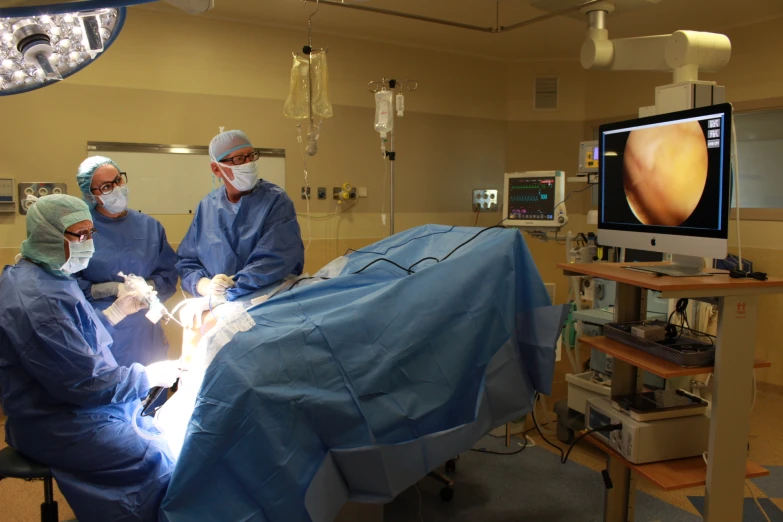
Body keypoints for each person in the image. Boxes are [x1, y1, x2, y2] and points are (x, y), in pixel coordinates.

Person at [0, 194, 181, 522]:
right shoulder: (39, 299)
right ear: (49, 235)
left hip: (57, 410)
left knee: (152, 429)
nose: (88, 244)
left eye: (90, 234)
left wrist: (115, 312)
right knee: (156, 456)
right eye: (79, 236)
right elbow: (85, 382)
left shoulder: (44, 274)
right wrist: (149, 375)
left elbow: (69, 338)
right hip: (54, 423)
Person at [176, 129, 304, 307]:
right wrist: (205, 286)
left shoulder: (275, 201)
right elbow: (188, 260)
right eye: (239, 159)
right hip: (222, 306)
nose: (249, 163)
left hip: (268, 302)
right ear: (216, 169)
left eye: (251, 156)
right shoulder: (207, 206)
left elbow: (273, 261)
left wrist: (230, 290)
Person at [74, 156, 178, 368]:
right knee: (111, 392)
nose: (116, 189)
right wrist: (112, 288)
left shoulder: (149, 226)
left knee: (152, 390)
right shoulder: (87, 230)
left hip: (146, 332)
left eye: (117, 180)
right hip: (104, 330)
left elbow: (168, 274)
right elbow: (68, 283)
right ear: (90, 194)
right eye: (105, 187)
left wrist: (147, 288)